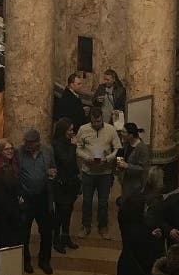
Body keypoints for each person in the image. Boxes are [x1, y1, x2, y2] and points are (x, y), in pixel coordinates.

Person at [13, 129, 56, 274]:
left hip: (43, 197)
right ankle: (26, 261)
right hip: (26, 198)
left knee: (46, 231)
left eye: (30, 142)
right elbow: (14, 174)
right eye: (26, 142)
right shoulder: (19, 152)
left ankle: (44, 260)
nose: (27, 145)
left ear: (38, 142)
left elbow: (53, 167)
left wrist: (52, 173)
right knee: (24, 232)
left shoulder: (47, 150)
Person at [76, 108, 120, 237]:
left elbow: (117, 148)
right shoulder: (83, 129)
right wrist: (86, 157)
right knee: (87, 201)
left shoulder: (110, 129)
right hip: (88, 172)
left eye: (99, 121)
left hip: (105, 173)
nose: (96, 124)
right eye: (94, 122)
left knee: (103, 202)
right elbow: (78, 149)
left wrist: (109, 159)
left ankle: (103, 226)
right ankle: (85, 225)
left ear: (102, 118)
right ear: (90, 119)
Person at [49, 117, 81, 253]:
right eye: (70, 130)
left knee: (68, 212)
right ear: (63, 131)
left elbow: (73, 164)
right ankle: (56, 240)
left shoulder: (68, 143)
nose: (72, 132)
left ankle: (65, 236)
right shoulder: (56, 144)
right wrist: (74, 146)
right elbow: (66, 160)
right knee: (60, 214)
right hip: (61, 185)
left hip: (71, 183)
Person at [116, 121, 152, 202]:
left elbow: (144, 168)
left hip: (136, 185)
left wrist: (127, 166)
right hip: (126, 182)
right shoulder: (127, 143)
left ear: (131, 135)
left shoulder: (142, 148)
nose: (121, 134)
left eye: (124, 132)